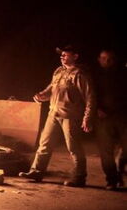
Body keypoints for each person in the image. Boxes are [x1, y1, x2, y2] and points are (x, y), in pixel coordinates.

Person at [19, 45, 95, 187]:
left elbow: (90, 97)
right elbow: (52, 89)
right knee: (44, 144)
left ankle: (79, 177)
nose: (62, 57)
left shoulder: (79, 75)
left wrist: (87, 117)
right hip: (53, 113)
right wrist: (42, 95)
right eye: (62, 55)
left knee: (74, 147)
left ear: (75, 56)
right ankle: (36, 172)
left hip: (70, 116)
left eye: (65, 55)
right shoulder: (59, 71)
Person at [94, 49, 127, 190]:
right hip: (103, 118)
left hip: (123, 116)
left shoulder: (123, 75)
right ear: (99, 59)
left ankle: (121, 164)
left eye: (110, 59)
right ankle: (112, 179)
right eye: (103, 58)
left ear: (115, 60)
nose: (106, 61)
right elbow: (89, 95)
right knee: (106, 151)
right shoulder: (95, 76)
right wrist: (96, 109)